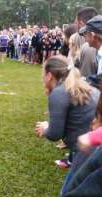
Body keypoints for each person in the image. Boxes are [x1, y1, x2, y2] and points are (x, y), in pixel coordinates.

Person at [35, 56, 99, 188]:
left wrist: (46, 127)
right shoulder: (85, 85)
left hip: (87, 153)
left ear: (49, 75)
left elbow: (55, 134)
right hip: (96, 148)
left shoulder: (59, 93)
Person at [75, 7, 99, 78]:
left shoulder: (90, 46)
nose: (75, 26)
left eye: (76, 23)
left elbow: (86, 82)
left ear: (80, 23)